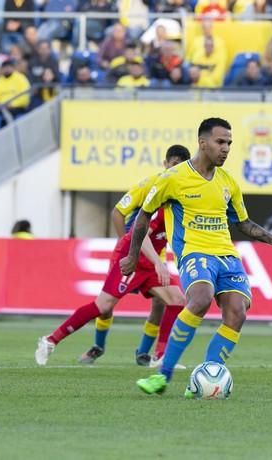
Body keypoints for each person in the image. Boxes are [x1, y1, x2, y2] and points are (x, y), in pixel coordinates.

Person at [122, 117, 272, 396]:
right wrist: (132, 256)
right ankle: (162, 376)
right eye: (220, 142)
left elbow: (244, 223)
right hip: (194, 252)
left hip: (226, 254)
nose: (225, 148)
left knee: (237, 312)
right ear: (202, 143)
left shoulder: (228, 183)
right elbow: (143, 216)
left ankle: (206, 379)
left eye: (229, 143)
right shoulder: (173, 178)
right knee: (200, 299)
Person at [78, 145, 190, 368]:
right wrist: (128, 249)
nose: (174, 168)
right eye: (172, 164)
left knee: (163, 302)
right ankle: (98, 346)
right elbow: (118, 212)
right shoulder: (150, 184)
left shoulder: (184, 191)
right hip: (132, 252)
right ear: (165, 164)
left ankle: (144, 353)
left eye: (180, 165)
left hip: (155, 254)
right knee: (107, 305)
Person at [34, 207, 186, 367]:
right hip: (133, 259)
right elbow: (139, 234)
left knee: (177, 300)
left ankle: (160, 356)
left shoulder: (184, 208)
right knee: (103, 306)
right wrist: (157, 263)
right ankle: (50, 341)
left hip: (150, 263)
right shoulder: (161, 208)